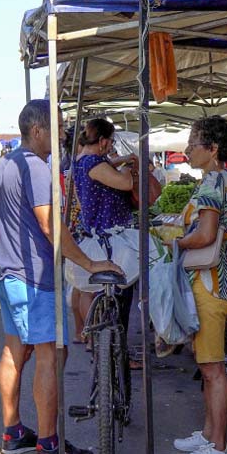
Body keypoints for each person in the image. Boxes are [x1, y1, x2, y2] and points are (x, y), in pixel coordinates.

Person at [0, 99, 122, 454]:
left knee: (14, 352)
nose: (64, 133)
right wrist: (88, 260)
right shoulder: (34, 167)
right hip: (32, 276)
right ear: (37, 131)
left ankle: (13, 431)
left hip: (9, 272)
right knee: (50, 354)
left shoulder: (7, 163)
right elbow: (51, 225)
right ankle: (49, 443)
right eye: (58, 127)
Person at [173, 115, 227, 454]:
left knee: (212, 367)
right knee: (208, 366)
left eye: (193, 143)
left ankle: (218, 445)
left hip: (209, 281)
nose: (187, 150)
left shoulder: (211, 184)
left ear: (212, 149)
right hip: (221, 280)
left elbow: (204, 237)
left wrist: (175, 240)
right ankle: (208, 433)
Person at [68, 118, 136, 346]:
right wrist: (128, 168)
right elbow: (125, 184)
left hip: (93, 230)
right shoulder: (93, 163)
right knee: (108, 289)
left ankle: (91, 338)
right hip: (108, 235)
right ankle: (99, 341)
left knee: (86, 288)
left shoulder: (83, 159)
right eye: (111, 141)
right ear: (104, 141)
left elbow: (106, 166)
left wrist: (120, 160)